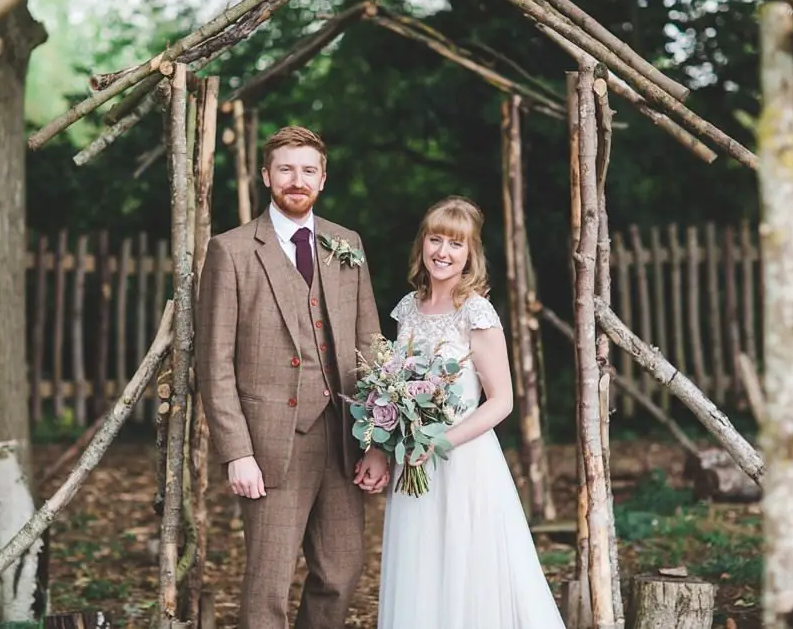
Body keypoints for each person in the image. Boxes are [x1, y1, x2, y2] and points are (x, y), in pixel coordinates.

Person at [196, 125, 390, 629]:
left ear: (323, 179)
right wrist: (236, 451)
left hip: (345, 436)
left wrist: (377, 440)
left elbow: (370, 344)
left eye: (308, 170)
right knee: (269, 583)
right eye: (285, 169)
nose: (296, 180)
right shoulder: (232, 251)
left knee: (341, 572)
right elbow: (214, 363)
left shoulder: (346, 244)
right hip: (270, 445)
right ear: (267, 176)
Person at [376, 196, 567, 628]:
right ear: (422, 245)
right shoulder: (408, 307)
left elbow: (502, 401)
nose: (442, 252)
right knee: (419, 565)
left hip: (463, 462)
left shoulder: (475, 311)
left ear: (470, 254)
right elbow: (394, 383)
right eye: (435, 239)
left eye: (455, 244)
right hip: (413, 463)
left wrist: (439, 440)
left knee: (466, 566)